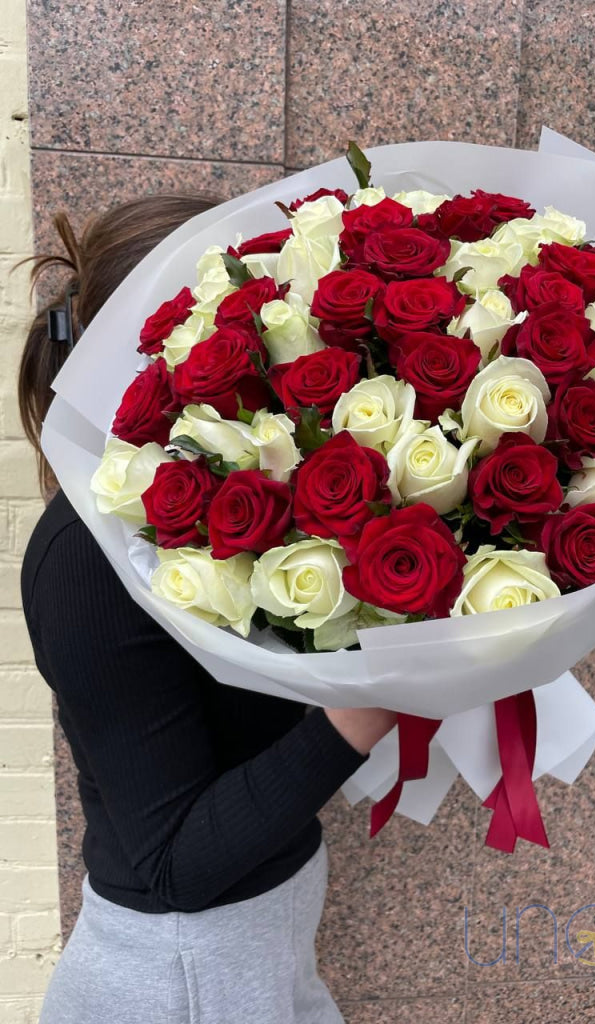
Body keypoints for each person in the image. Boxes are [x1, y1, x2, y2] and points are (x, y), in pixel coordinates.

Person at [18, 195, 397, 1024]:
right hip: (183, 974)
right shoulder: (82, 557)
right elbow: (171, 862)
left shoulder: (227, 485)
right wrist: (371, 707)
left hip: (261, 942)